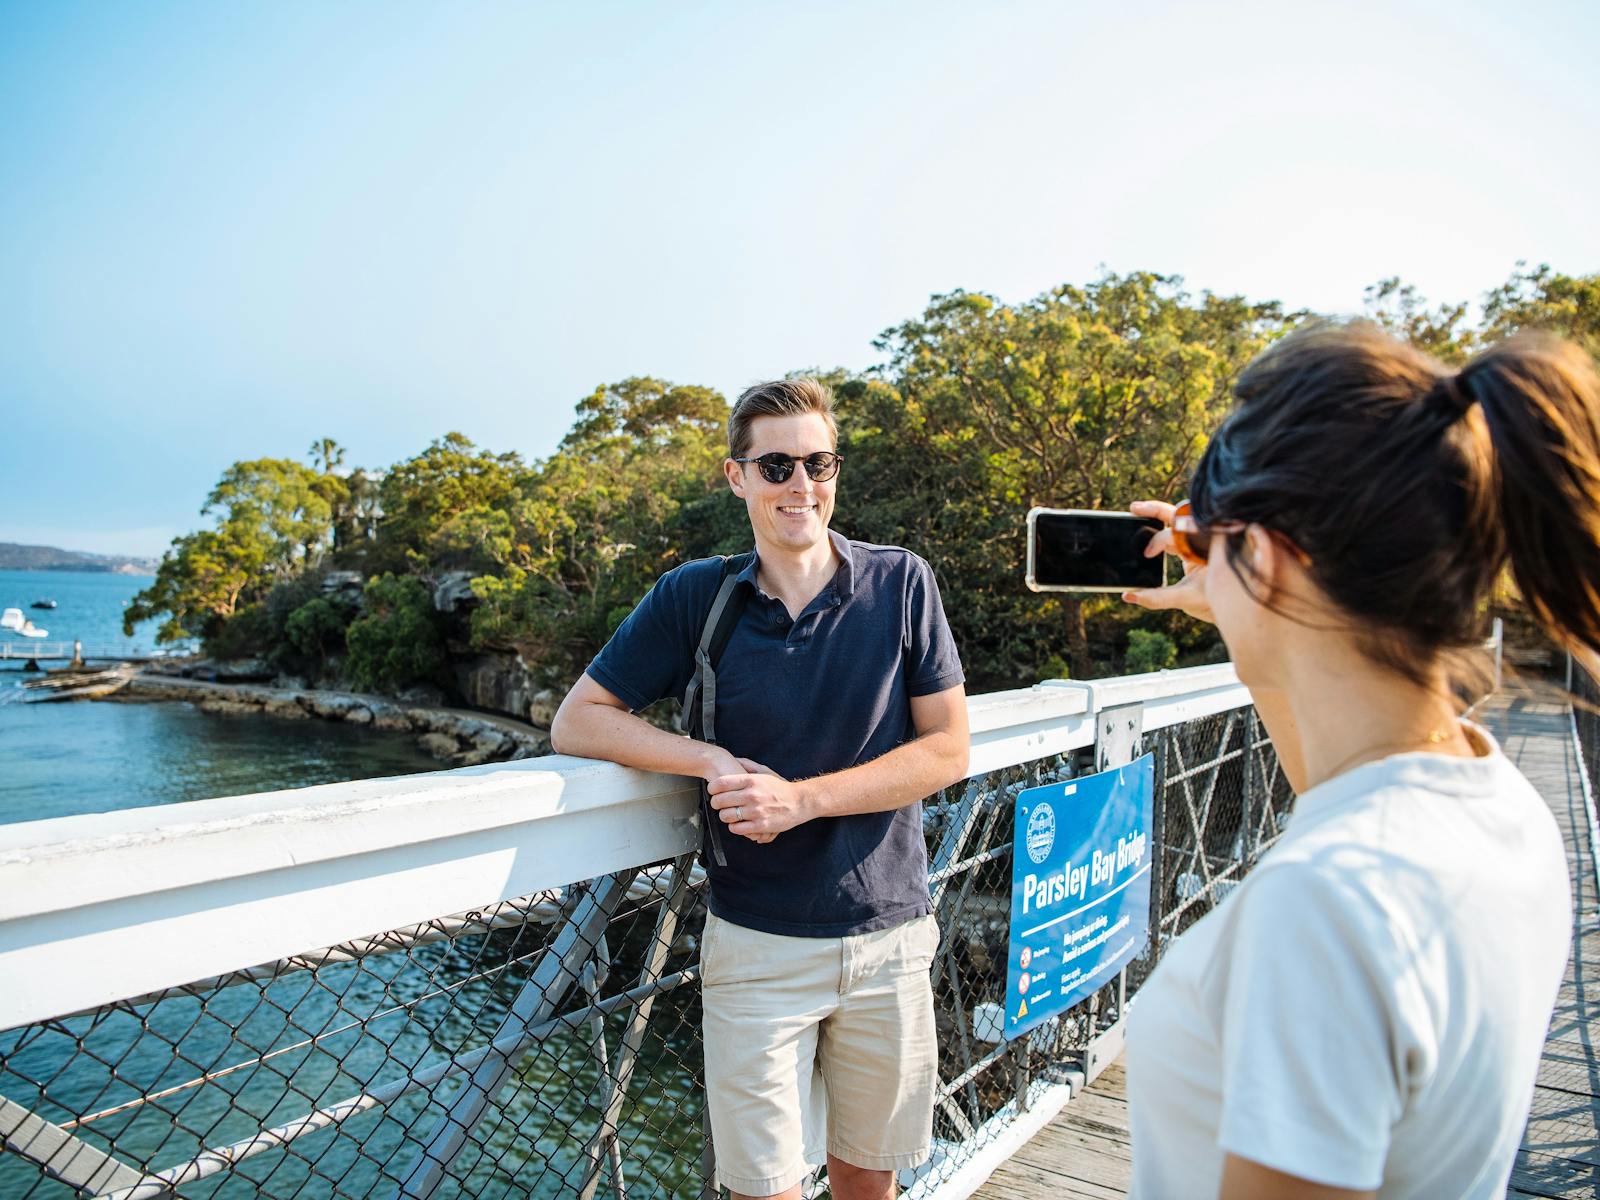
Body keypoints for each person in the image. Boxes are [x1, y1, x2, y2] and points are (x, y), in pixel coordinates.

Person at [1119, 321, 1589, 1198]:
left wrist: (1249, 591)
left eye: (1212, 546)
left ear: (1263, 553)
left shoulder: (1323, 908)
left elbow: (1335, 873)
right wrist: (1241, 599)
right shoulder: (1499, 803)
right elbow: (1338, 793)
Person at [550, 378, 969, 1200]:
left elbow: (948, 749)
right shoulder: (696, 596)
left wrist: (802, 799)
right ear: (736, 476)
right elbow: (581, 721)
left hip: (888, 936)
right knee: (762, 1188)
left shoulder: (901, 584)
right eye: (776, 465)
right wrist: (707, 760)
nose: (801, 485)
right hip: (757, 947)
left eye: (819, 463)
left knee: (866, 1183)